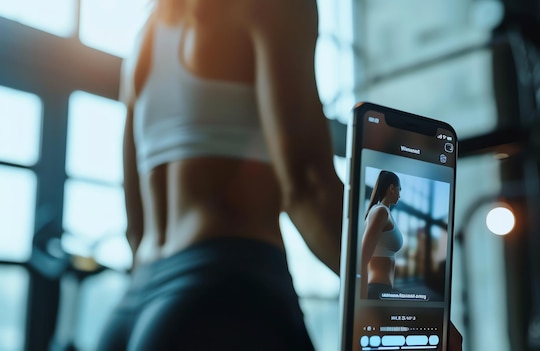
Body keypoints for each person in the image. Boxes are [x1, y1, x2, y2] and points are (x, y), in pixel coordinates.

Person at [96, 0, 463, 350]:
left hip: (134, 309)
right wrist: (412, 315)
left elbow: (135, 222)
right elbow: (306, 187)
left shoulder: (149, 31)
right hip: (226, 298)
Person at [361, 170, 403, 299]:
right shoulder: (380, 212)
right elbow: (363, 256)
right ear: (391, 188)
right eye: (399, 190)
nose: (399, 195)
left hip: (383, 289)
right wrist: (361, 296)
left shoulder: (386, 213)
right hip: (376, 289)